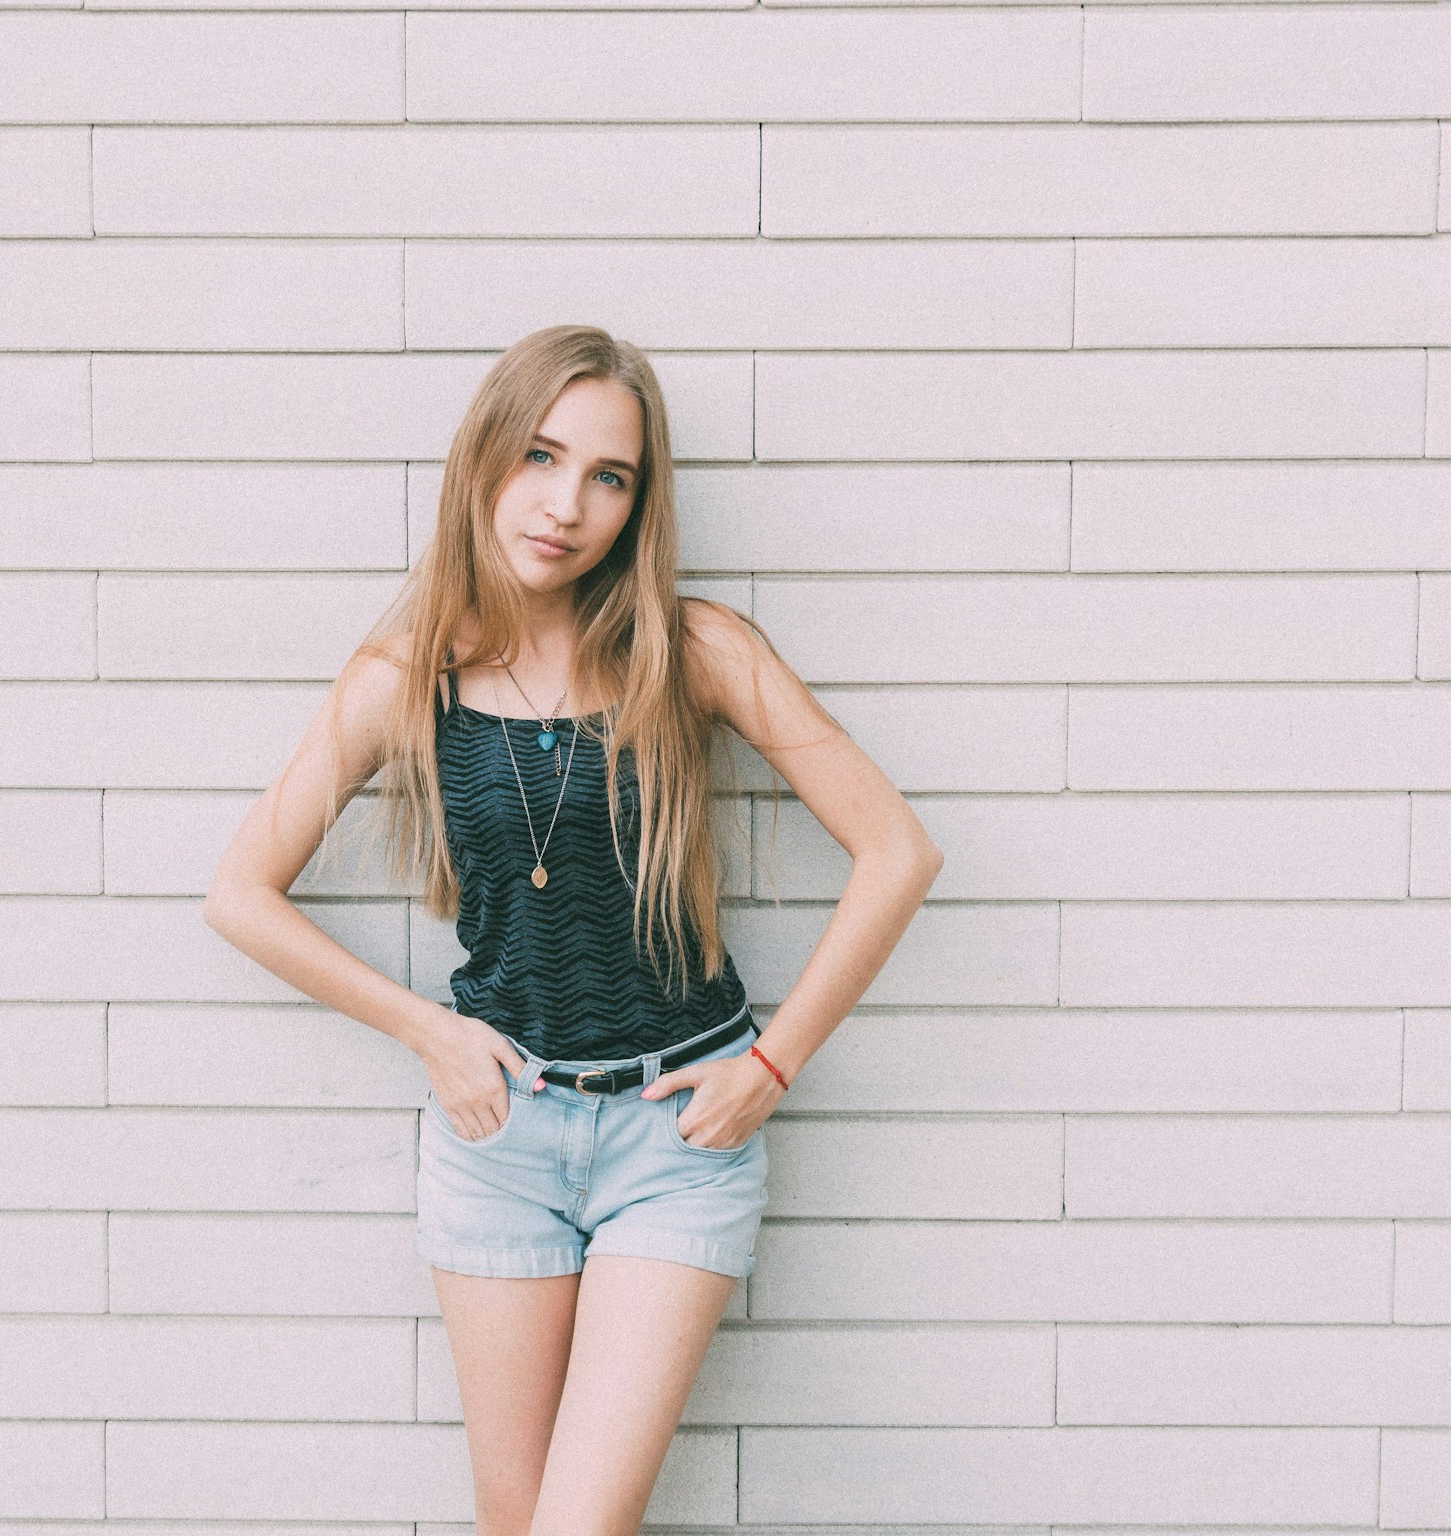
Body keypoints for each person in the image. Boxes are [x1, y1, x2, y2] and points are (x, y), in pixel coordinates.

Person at [202, 324, 943, 1536]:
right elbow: (241, 893)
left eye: (611, 476)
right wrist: (429, 1033)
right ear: (485, 460)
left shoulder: (693, 649)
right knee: (514, 1523)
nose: (567, 506)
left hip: (673, 1144)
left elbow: (898, 851)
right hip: (499, 1140)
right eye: (541, 458)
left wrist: (770, 1066)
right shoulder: (403, 679)